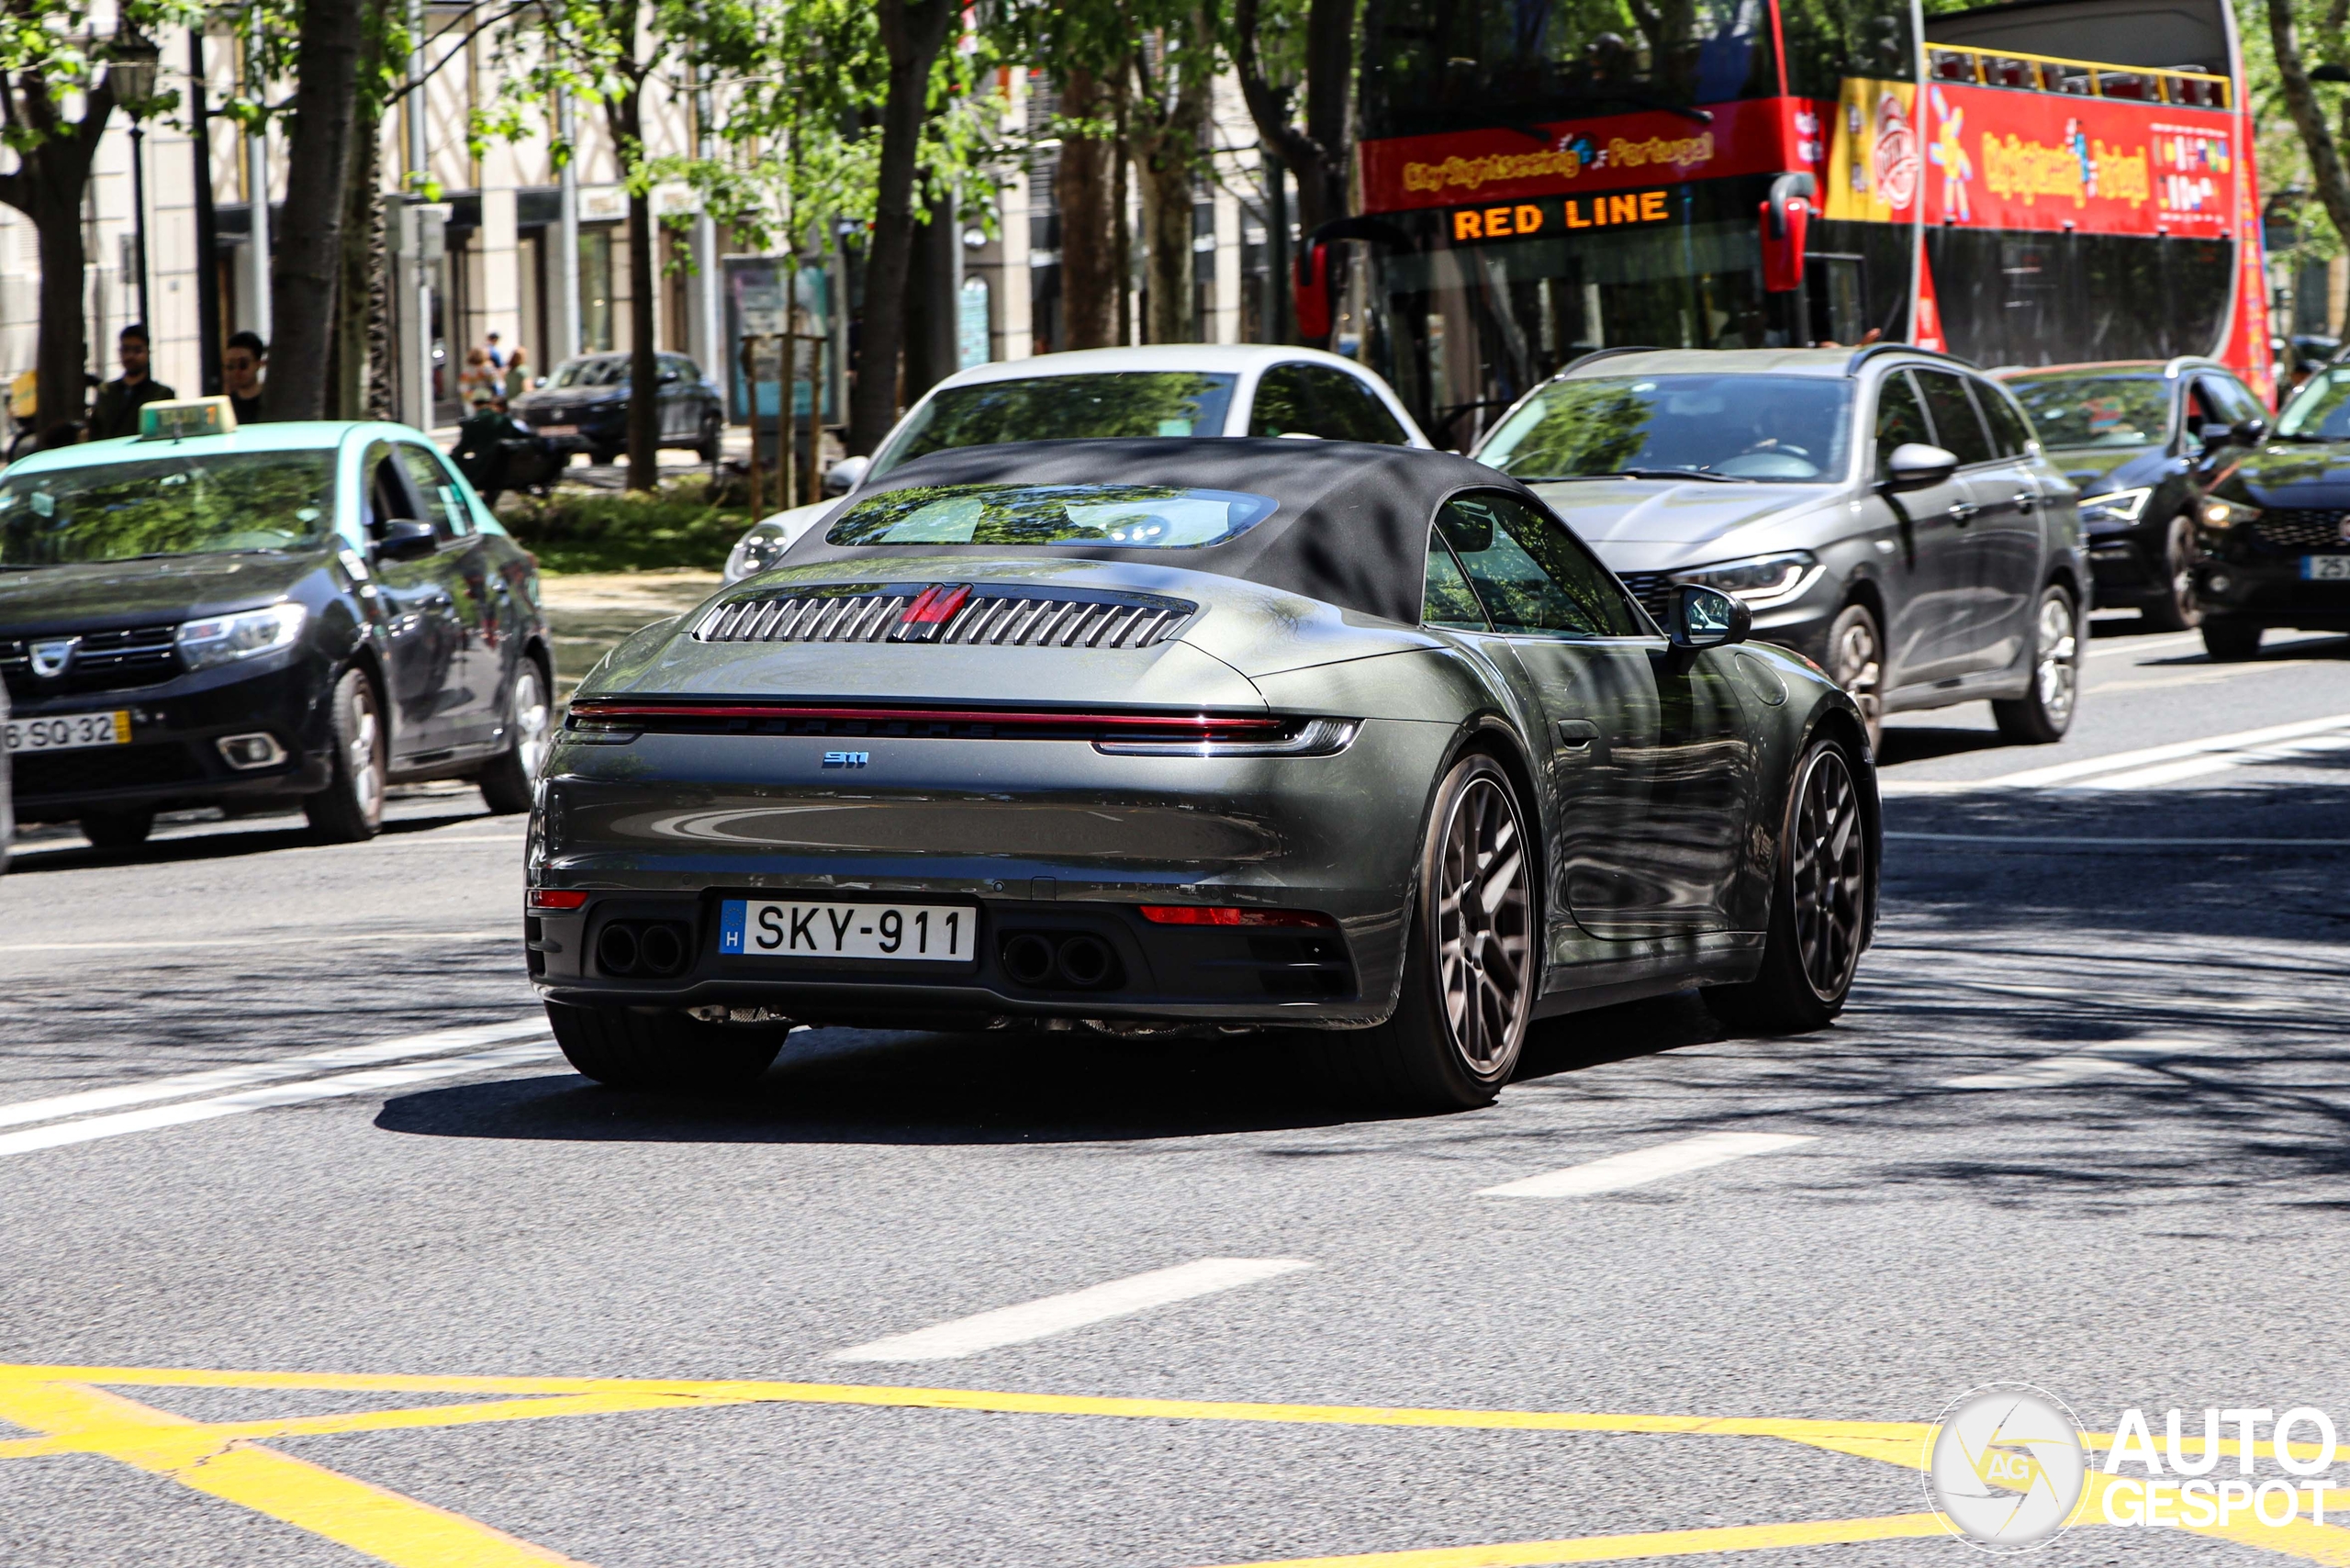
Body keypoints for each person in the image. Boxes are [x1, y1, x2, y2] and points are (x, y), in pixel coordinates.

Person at [88, 324, 175, 440]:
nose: (130, 356)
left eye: (137, 350)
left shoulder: (162, 394)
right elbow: (95, 433)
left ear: (148, 353)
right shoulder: (106, 392)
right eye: (125, 350)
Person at [224, 330, 266, 424]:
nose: (236, 371)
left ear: (258, 364)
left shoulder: (271, 400)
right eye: (230, 365)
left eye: (243, 364)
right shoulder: (226, 406)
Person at [457, 346, 499, 415]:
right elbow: (496, 381)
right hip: (486, 399)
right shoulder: (487, 369)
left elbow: (463, 388)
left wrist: (467, 398)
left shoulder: (466, 371)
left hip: (471, 400)